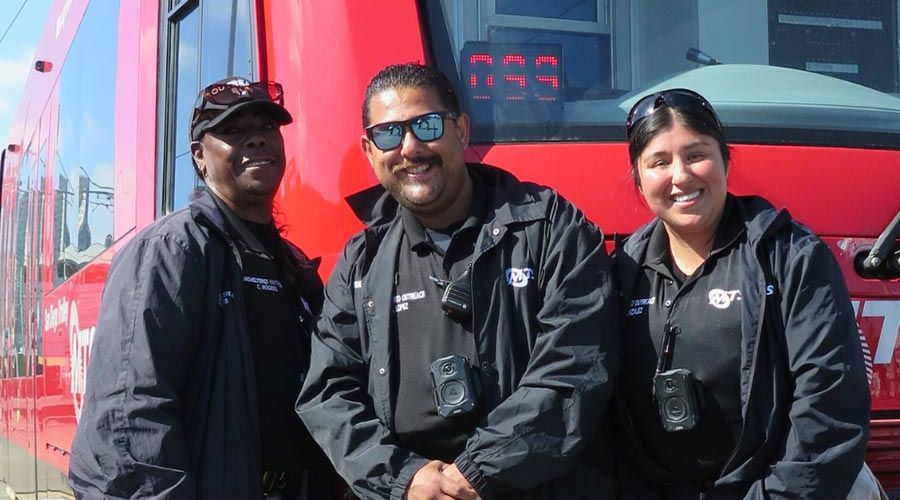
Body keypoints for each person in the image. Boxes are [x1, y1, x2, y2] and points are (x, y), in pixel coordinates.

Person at [296, 63, 620, 499]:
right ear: (369, 150)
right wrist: (404, 479)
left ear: (461, 131)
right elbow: (327, 392)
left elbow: (578, 367)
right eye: (388, 134)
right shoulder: (361, 260)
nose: (410, 148)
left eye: (427, 125)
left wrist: (472, 475)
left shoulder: (551, 228)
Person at [69, 77, 336, 499]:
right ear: (200, 156)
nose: (256, 139)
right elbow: (131, 417)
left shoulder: (295, 265)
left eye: (266, 127)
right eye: (232, 130)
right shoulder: (168, 251)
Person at [613, 88, 872, 499]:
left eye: (696, 155)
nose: (680, 176)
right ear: (640, 181)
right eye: (659, 162)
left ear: (726, 161)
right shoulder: (620, 272)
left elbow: (829, 409)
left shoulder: (791, 256)